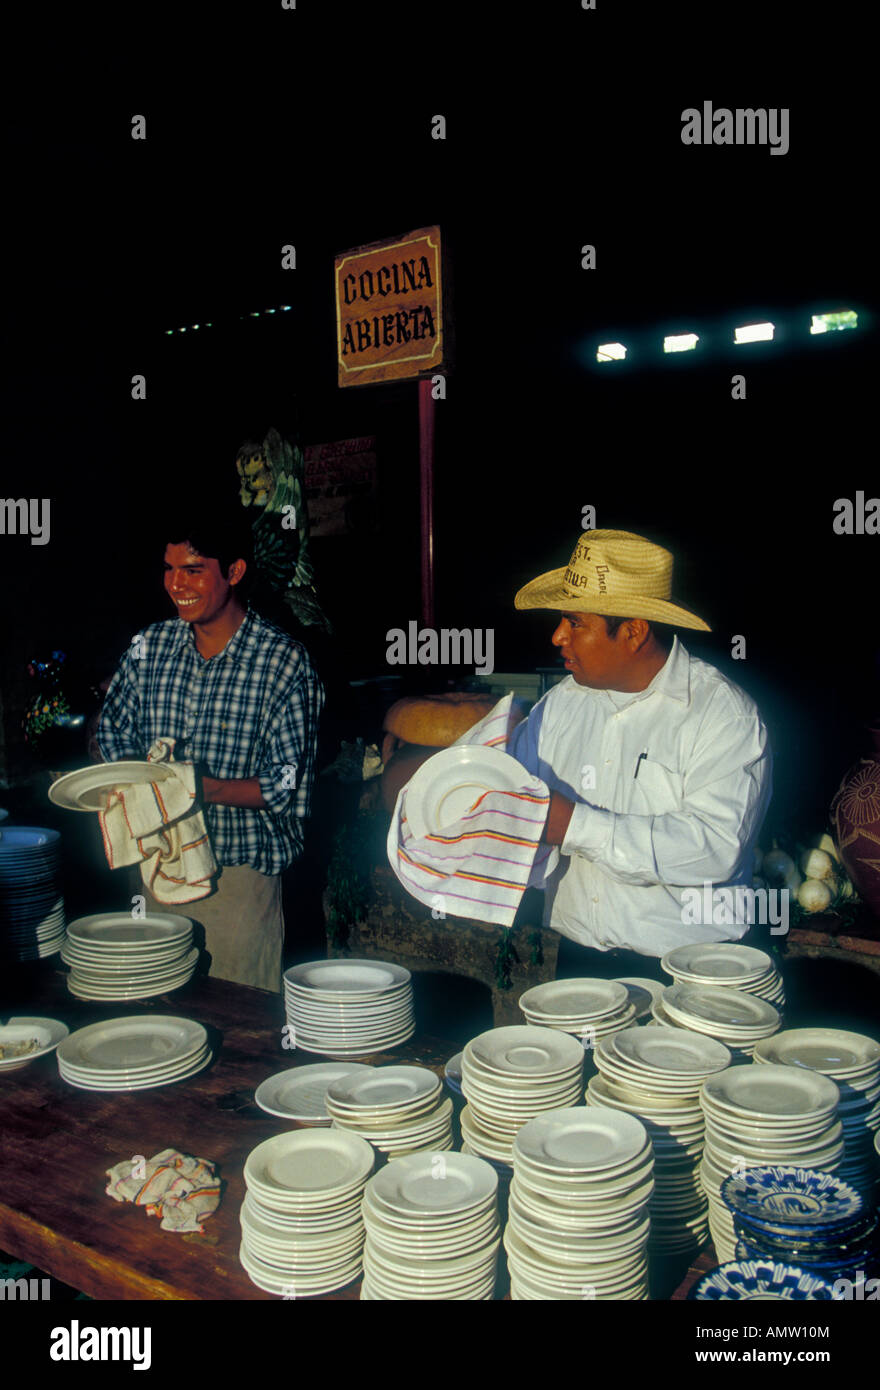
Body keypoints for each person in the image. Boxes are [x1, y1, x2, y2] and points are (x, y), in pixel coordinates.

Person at [509, 528, 772, 980]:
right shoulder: (562, 703)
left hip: (693, 972)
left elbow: (713, 850)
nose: (557, 636)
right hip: (580, 959)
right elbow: (509, 785)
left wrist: (575, 824)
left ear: (633, 632)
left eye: (575, 622)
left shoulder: (723, 716)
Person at [96, 509, 324, 990]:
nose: (176, 584)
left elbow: (284, 785)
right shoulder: (149, 647)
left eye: (193, 570)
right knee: (154, 1017)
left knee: (242, 1031)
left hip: (237, 884)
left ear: (234, 572)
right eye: (169, 569)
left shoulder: (282, 662)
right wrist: (133, 781)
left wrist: (193, 788)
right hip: (156, 871)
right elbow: (111, 731)